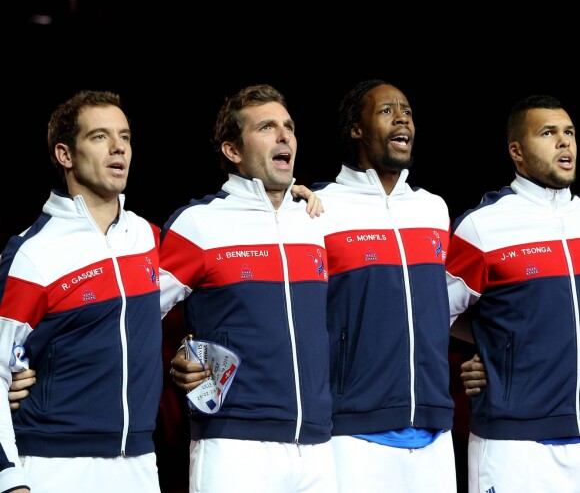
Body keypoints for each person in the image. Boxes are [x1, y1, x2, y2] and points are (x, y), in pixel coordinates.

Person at [171, 79, 458, 492]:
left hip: (421, 431)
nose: (402, 118)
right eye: (267, 127)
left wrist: (493, 356)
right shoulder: (319, 211)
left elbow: (442, 307)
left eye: (288, 126)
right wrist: (183, 350)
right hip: (341, 431)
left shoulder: (431, 209)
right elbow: (144, 310)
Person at [158, 83, 337, 493]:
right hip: (234, 445)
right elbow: (133, 315)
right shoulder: (199, 224)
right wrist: (176, 356)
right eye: (267, 127)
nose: (284, 135)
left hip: (318, 446)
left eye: (289, 126)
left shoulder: (314, 219)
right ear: (232, 151)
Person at [0, 90, 164, 493]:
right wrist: (9, 478)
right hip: (56, 466)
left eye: (125, 137)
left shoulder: (146, 237)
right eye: (100, 136)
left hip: (141, 464)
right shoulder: (32, 254)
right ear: (65, 155)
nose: (118, 147)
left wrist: (289, 201)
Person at [446, 94, 579, 492]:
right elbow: (431, 318)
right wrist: (494, 353)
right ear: (516, 151)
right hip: (513, 446)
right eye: (548, 133)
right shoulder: (482, 227)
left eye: (569, 132)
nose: (564, 142)